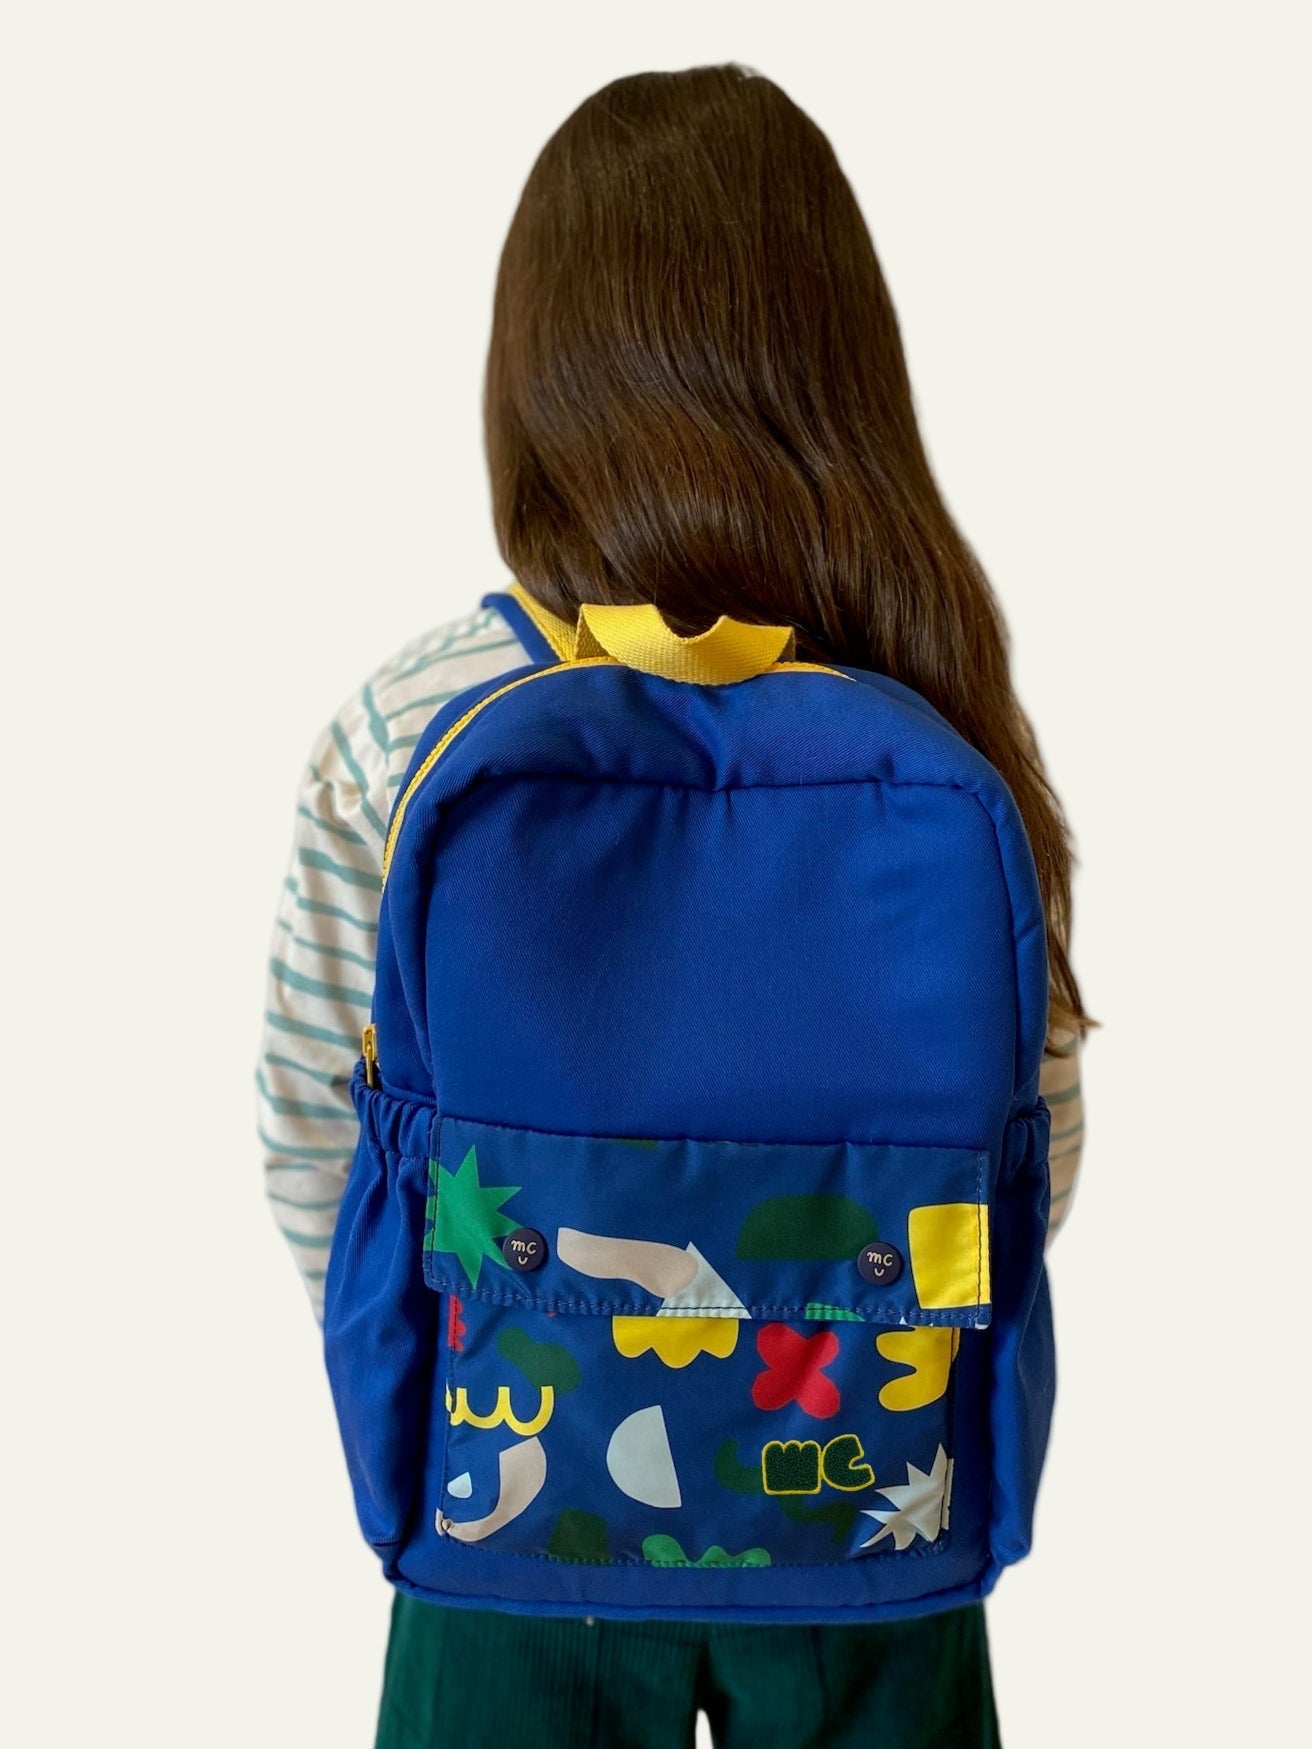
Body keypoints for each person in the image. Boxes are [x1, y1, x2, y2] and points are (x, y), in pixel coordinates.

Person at [258, 63, 1092, 1749]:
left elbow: (310, 1145)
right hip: (874, 1519)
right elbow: (1035, 1148)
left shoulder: (411, 724)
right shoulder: (931, 705)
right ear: (841, 372)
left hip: (509, 1533)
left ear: (530, 377)